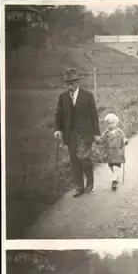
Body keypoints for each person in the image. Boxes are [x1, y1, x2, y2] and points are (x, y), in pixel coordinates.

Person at [54, 68, 101, 198]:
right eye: (68, 83)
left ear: (78, 82)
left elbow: (94, 116)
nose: (70, 86)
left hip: (85, 133)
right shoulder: (63, 97)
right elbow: (59, 115)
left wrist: (96, 133)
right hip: (70, 134)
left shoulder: (88, 95)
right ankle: (79, 187)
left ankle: (90, 181)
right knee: (74, 160)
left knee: (84, 159)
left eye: (73, 83)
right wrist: (58, 129)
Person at [96, 113, 128, 191]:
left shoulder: (119, 131)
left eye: (113, 123)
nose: (111, 125)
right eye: (109, 123)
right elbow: (102, 139)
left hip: (117, 151)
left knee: (116, 165)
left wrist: (125, 140)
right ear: (107, 124)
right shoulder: (106, 133)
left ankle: (114, 180)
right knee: (111, 166)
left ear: (116, 123)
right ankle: (115, 176)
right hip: (109, 152)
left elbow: (124, 138)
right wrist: (97, 140)